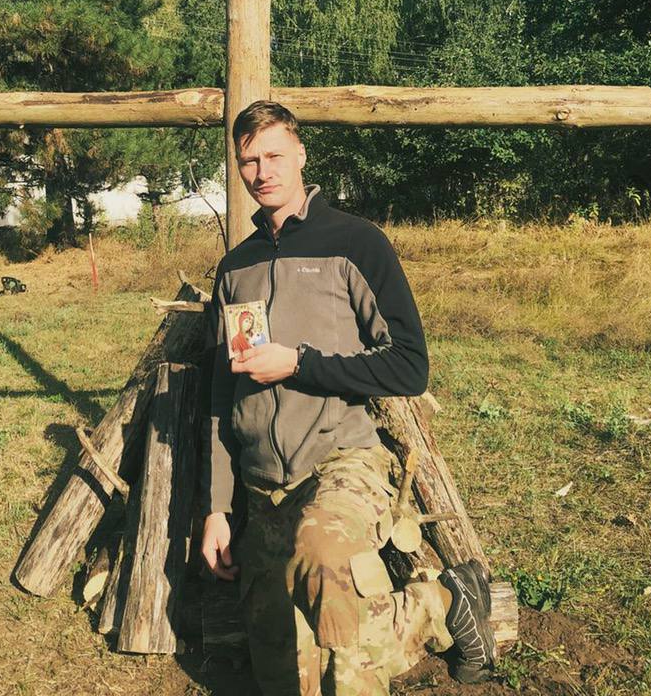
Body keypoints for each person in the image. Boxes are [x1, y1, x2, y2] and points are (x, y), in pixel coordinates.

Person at [200, 100, 496, 695]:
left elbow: (409, 365)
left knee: (325, 565)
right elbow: (220, 395)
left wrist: (300, 363)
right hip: (263, 485)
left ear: (301, 154)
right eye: (249, 161)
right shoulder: (236, 268)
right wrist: (216, 507)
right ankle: (442, 601)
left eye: (274, 156)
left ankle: (437, 604)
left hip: (341, 462)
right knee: (287, 678)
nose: (262, 172)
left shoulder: (355, 243)